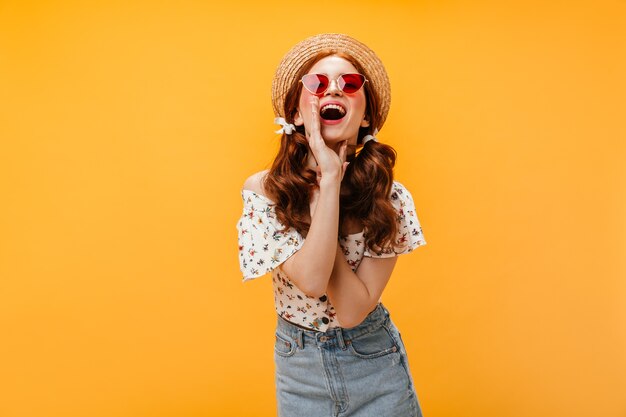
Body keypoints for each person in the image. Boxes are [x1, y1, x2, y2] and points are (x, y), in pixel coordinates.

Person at [236, 33, 427, 417]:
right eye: (317, 84)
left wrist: (330, 185)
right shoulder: (265, 191)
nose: (333, 91)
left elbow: (354, 309)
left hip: (374, 361)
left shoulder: (389, 197)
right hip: (299, 368)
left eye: (350, 84)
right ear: (294, 114)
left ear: (367, 115)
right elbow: (310, 279)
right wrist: (326, 181)